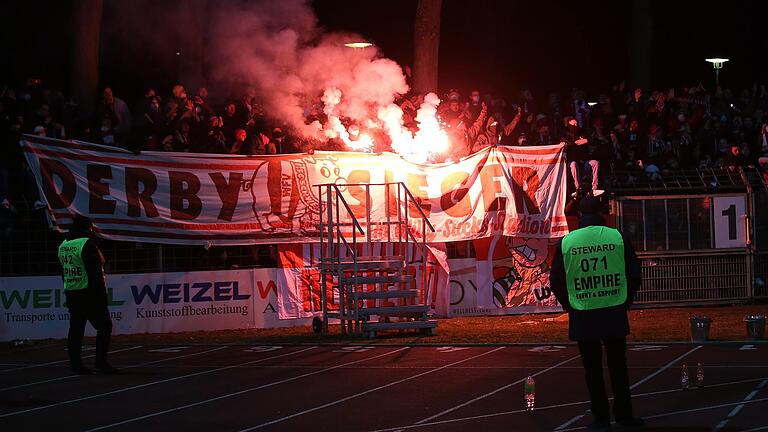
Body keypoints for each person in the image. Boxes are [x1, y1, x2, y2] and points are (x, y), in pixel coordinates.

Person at [550, 197, 643, 431]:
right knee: (618, 367)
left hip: (583, 313)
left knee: (592, 369)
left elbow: (556, 281)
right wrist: (625, 300)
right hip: (613, 309)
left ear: (580, 215)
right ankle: (624, 415)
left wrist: (570, 305)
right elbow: (634, 273)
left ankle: (600, 418)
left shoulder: (567, 242)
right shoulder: (617, 237)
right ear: (601, 212)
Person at [58, 216, 117, 375]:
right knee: (105, 326)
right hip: (90, 293)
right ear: (87, 228)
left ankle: (76, 365)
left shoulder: (63, 245)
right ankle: (101, 363)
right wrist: (102, 295)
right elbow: (95, 273)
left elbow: (64, 272)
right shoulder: (86, 244)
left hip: (72, 292)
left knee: (76, 330)